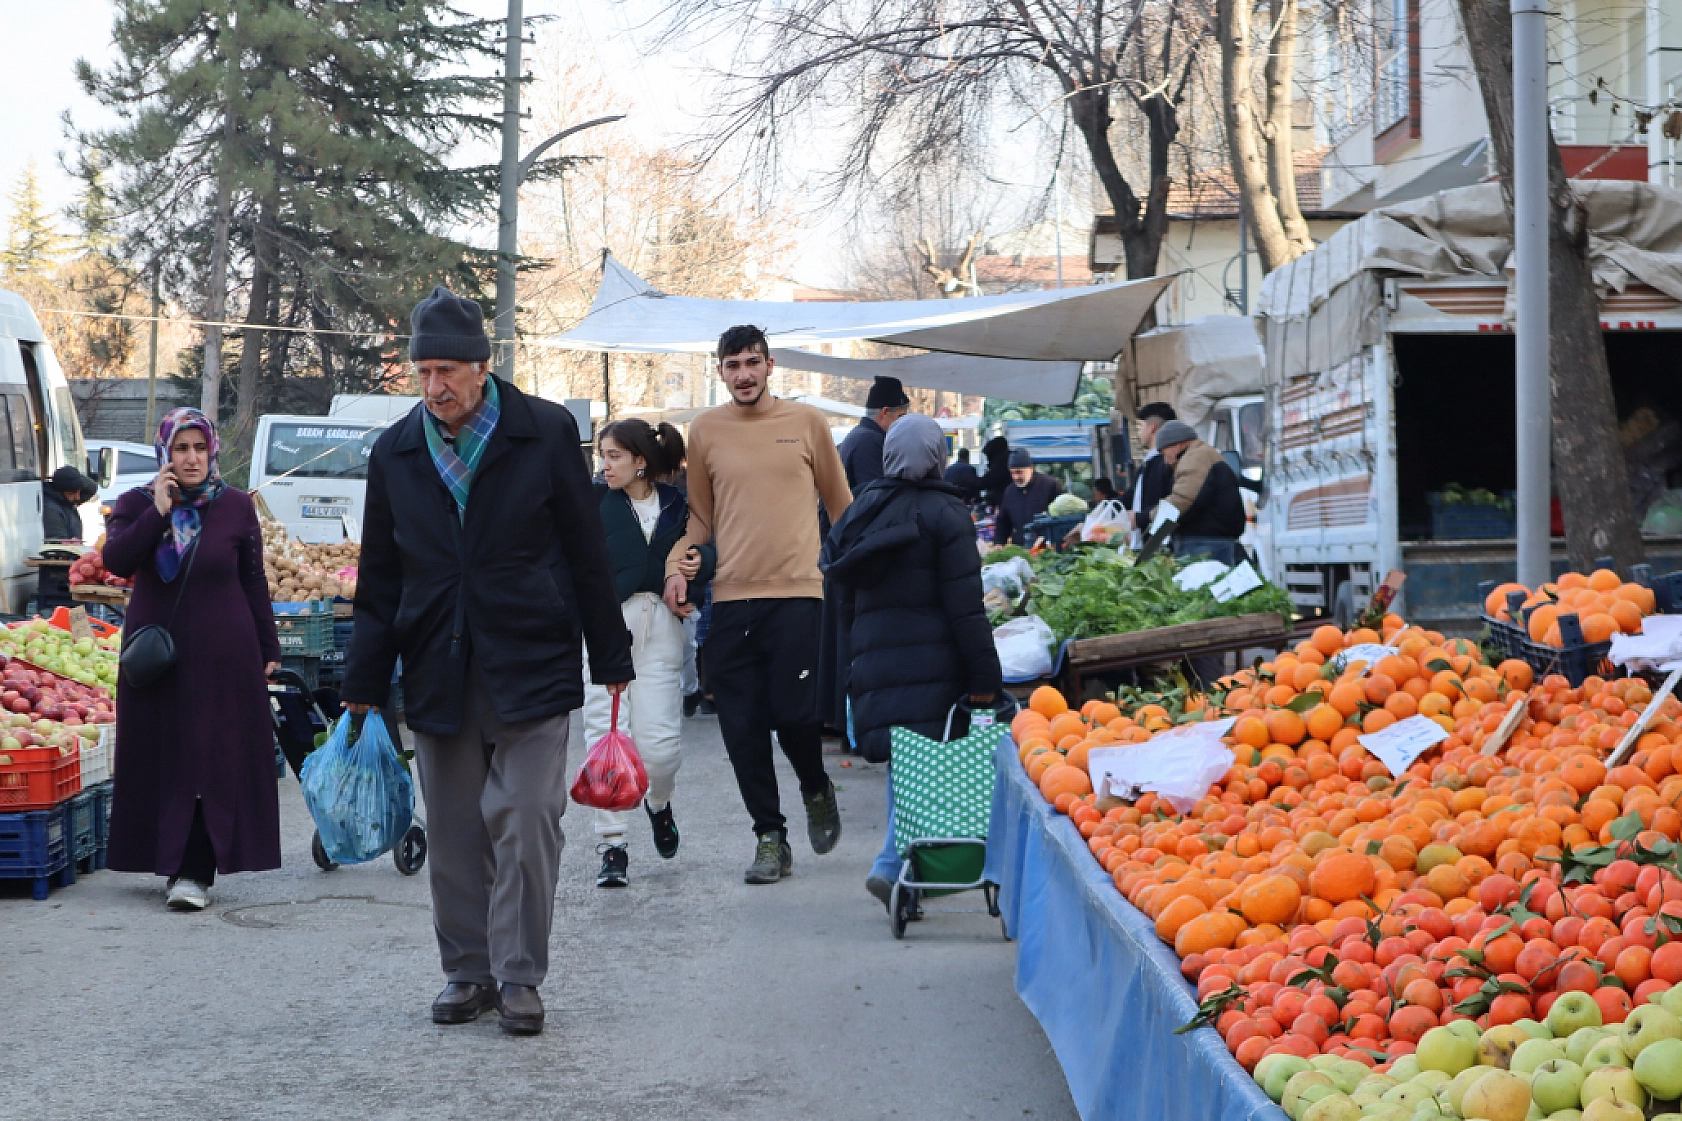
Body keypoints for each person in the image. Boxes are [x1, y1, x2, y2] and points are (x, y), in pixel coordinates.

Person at [341, 286, 634, 1037]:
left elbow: (586, 552)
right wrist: (364, 685)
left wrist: (610, 651)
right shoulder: (396, 452)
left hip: (530, 651)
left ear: (482, 365)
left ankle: (519, 975)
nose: (434, 386)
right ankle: (466, 970)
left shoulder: (542, 432)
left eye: (447, 370)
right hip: (436, 659)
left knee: (528, 814)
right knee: (455, 830)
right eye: (422, 371)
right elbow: (379, 580)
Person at [664, 324, 852, 885]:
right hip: (732, 599)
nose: (743, 374)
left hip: (798, 593)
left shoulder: (807, 424)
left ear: (770, 366)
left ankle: (816, 786)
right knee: (741, 727)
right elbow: (699, 518)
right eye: (732, 365)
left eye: (752, 362)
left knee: (795, 717)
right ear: (719, 370)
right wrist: (680, 565)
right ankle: (770, 837)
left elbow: (842, 507)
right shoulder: (706, 431)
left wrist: (866, 573)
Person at [102, 409, 282, 913]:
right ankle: (171, 860)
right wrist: (158, 512)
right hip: (158, 659)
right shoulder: (135, 503)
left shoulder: (234, 507)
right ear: (166, 454)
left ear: (212, 451)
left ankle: (196, 871)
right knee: (164, 756)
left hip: (225, 654)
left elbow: (252, 580)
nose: (191, 458)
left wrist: (269, 649)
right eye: (181, 449)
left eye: (199, 448)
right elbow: (117, 561)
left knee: (214, 758)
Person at [821, 414, 1002, 906]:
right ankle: (892, 864)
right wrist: (985, 677)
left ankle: (905, 874)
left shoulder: (862, 513)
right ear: (939, 456)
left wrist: (853, 670)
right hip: (934, 668)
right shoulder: (947, 515)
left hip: (876, 669)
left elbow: (843, 605)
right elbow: (966, 609)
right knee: (925, 767)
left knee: (907, 766)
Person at [586, 417, 714, 889]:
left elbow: (708, 548)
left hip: (662, 628)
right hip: (605, 629)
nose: (605, 465)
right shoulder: (593, 503)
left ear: (641, 461)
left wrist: (700, 564)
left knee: (659, 748)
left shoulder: (679, 506)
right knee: (605, 736)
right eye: (603, 455)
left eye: (614, 455)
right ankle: (612, 844)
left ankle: (658, 803)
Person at [1155, 419, 1247, 565]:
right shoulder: (1200, 454)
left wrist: (1148, 518)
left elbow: (1182, 500)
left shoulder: (1196, 457)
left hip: (1206, 544)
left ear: (1177, 445)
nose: (1166, 461)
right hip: (1212, 542)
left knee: (1202, 586)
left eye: (1164, 453)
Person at [38, 465, 98, 611]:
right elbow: (59, 544)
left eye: (78, 492)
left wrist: (74, 478)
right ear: (60, 490)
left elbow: (92, 487)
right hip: (60, 574)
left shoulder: (67, 500)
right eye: (73, 492)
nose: (78, 497)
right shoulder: (52, 509)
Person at [838, 375, 910, 490]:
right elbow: (875, 495)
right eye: (900, 416)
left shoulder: (860, 435)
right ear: (885, 412)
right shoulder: (870, 441)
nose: (902, 423)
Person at [991, 448, 1064, 546]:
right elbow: (1003, 521)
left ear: (1031, 469)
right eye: (1012, 473)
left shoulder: (1050, 485)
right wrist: (999, 543)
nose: (1015, 477)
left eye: (1019, 472)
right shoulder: (1010, 491)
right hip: (1020, 547)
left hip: (1046, 548)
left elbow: (1062, 517)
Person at [1130, 403, 1178, 541]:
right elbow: (1131, 496)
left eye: (1140, 427)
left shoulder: (1163, 464)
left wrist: (1141, 518)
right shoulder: (1148, 464)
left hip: (1160, 544)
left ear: (1152, 428)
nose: (1139, 433)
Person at [979, 435, 1011, 508]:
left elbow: (987, 481)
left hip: (1003, 503)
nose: (987, 460)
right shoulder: (1007, 460)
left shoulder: (1000, 463)